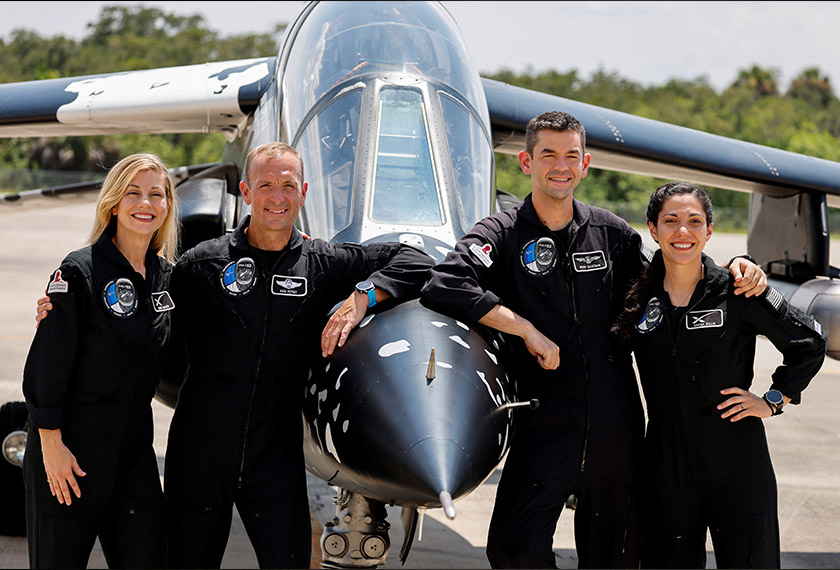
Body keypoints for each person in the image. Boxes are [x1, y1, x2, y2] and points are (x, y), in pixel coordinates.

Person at [419, 111, 767, 569]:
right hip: (542, 427)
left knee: (616, 557)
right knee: (514, 550)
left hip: (616, 433)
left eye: (571, 156)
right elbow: (445, 284)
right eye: (548, 154)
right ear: (526, 162)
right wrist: (525, 329)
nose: (560, 166)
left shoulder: (612, 233)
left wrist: (738, 264)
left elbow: (671, 274)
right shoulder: (500, 235)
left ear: (585, 165)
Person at [160, 141, 434, 568]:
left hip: (275, 458)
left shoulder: (324, 263)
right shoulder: (203, 264)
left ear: (303, 192)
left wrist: (362, 295)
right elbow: (148, 323)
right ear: (246, 193)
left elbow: (415, 261)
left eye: (288, 186)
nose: (277, 197)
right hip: (198, 454)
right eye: (265, 185)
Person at [611, 182, 826, 569]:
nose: (683, 231)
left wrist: (773, 400)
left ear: (709, 231)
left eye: (694, 221)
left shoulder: (739, 289)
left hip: (737, 461)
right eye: (671, 221)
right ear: (653, 229)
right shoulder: (637, 300)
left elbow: (809, 342)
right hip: (665, 463)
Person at [22, 153, 179, 568]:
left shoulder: (166, 278)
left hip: (133, 450)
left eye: (155, 194)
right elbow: (46, 368)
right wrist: (51, 446)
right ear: (113, 202)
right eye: (134, 193)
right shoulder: (80, 271)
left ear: (166, 206)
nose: (145, 203)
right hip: (71, 449)